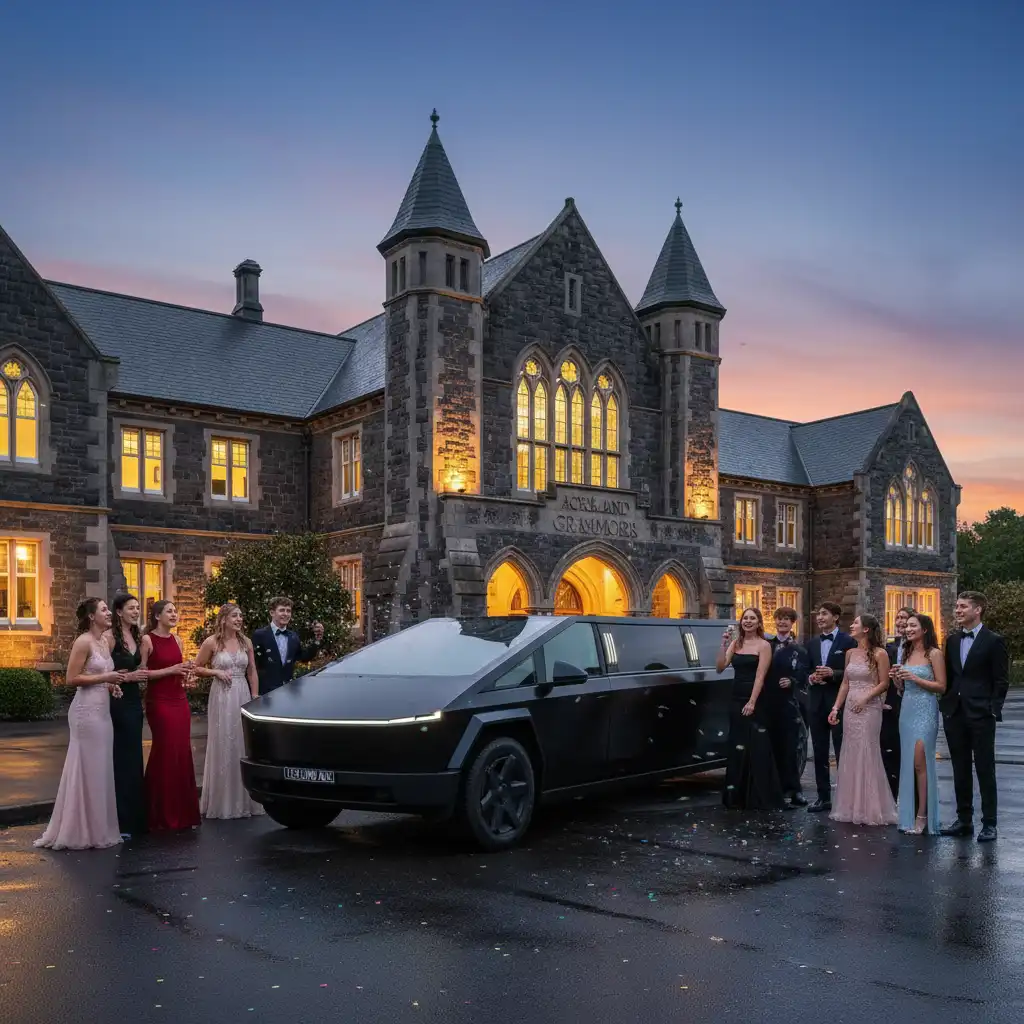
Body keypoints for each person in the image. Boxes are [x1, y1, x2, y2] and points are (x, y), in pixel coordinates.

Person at [35, 599, 125, 850]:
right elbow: (71, 678)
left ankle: (98, 828)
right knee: (86, 766)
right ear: (91, 616)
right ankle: (78, 829)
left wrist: (111, 685)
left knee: (101, 767)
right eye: (104, 610)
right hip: (86, 712)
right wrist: (106, 677)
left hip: (103, 710)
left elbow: (98, 676)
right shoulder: (83, 641)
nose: (109, 613)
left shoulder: (105, 642)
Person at [939, 591, 1009, 843]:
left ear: (977, 610)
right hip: (954, 712)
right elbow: (948, 675)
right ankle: (964, 819)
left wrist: (992, 709)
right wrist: (945, 704)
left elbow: (1001, 680)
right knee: (959, 768)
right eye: (957, 606)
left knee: (985, 769)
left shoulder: (993, 641)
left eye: (963, 607)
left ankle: (989, 823)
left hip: (981, 714)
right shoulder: (953, 640)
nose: (957, 610)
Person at [194, 603, 265, 820]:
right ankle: (222, 800)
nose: (239, 619)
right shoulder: (212, 642)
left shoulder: (246, 642)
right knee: (224, 741)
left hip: (242, 692)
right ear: (223, 619)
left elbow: (252, 669)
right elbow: (196, 667)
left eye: (241, 615)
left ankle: (245, 798)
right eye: (235, 615)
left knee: (241, 743)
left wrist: (255, 696)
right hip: (222, 695)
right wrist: (215, 671)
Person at [828, 614, 898, 826]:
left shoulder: (880, 653)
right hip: (850, 707)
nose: (852, 625)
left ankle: (872, 808)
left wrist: (865, 698)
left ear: (866, 629)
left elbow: (885, 683)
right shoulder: (850, 653)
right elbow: (845, 684)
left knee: (868, 751)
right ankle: (850, 806)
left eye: (856, 623)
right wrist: (836, 708)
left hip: (869, 707)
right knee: (850, 751)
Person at [716, 607, 786, 810]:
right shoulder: (736, 644)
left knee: (757, 745)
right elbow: (720, 668)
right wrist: (723, 644)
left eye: (752, 618)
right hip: (736, 697)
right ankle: (736, 795)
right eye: (745, 618)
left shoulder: (764, 645)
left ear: (758, 622)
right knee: (737, 744)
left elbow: (760, 676)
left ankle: (759, 796)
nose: (748, 621)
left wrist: (752, 701)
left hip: (754, 699)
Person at [141, 600, 200, 831]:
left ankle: (183, 813)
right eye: (169, 611)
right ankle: (159, 814)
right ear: (157, 616)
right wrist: (171, 670)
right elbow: (143, 673)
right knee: (165, 751)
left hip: (179, 700)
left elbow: (180, 671)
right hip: (160, 702)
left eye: (176, 611)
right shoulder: (147, 640)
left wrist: (187, 677)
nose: (174, 614)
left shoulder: (178, 639)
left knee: (181, 752)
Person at [895, 613, 946, 834]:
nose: (908, 629)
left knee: (920, 762)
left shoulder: (934, 653)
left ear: (925, 629)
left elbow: (941, 687)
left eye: (912, 625)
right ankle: (908, 814)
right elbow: (901, 688)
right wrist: (897, 678)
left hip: (926, 710)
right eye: (906, 626)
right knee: (908, 763)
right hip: (907, 709)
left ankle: (923, 815)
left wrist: (915, 678)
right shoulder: (906, 652)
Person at [105, 592, 149, 839]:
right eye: (131, 608)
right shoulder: (110, 638)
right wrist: (126, 677)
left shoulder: (138, 637)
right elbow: (102, 671)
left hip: (134, 701)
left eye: (137, 608)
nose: (135, 611)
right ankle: (120, 821)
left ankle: (135, 820)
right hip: (116, 700)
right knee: (120, 759)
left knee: (134, 758)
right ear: (119, 612)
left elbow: (141, 668)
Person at [805, 603, 857, 812]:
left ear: (836, 617)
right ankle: (823, 797)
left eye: (824, 614)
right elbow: (804, 669)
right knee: (819, 750)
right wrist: (811, 677)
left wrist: (833, 674)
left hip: (839, 702)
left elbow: (854, 670)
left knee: (842, 749)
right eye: (818, 614)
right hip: (816, 702)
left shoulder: (848, 641)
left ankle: (846, 798)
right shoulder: (812, 643)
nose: (819, 617)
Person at [765, 606, 812, 808]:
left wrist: (792, 681)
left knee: (791, 748)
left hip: (790, 704)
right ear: (775, 621)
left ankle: (794, 790)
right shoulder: (767, 645)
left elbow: (804, 675)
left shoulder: (799, 649)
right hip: (768, 702)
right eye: (780, 619)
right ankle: (772, 789)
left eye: (787, 619)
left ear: (792, 623)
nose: (782, 622)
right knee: (770, 747)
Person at [252, 597, 325, 696]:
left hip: (288, 692)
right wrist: (255, 693)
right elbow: (254, 666)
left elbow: (303, 658)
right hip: (265, 693)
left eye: (288, 611)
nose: (286, 614)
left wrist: (317, 640)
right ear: (272, 612)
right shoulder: (260, 635)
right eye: (282, 610)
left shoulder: (293, 636)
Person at [880, 606, 913, 800]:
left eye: (905, 618)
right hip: (892, 703)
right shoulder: (890, 648)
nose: (900, 622)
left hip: (913, 701)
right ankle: (891, 795)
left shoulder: (919, 648)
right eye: (898, 618)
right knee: (890, 749)